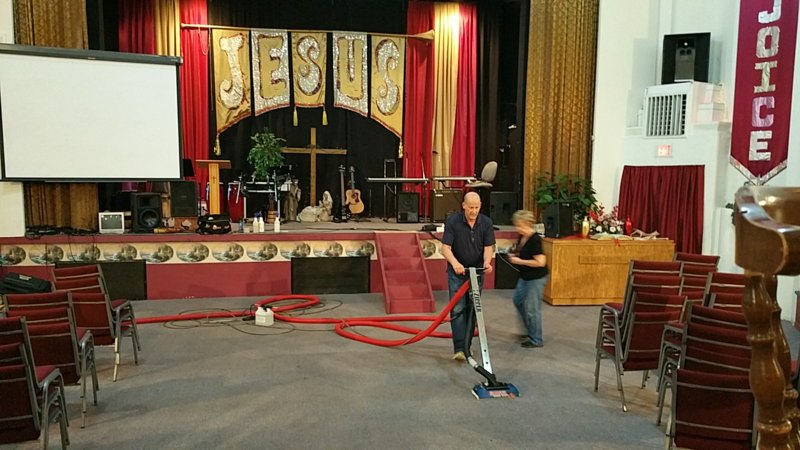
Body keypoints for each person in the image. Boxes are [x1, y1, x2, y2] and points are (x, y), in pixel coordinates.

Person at [441, 191, 496, 361]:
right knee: (458, 309)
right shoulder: (453, 222)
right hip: (457, 273)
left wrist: (487, 262)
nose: (473, 211)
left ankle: (467, 348)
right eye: (471, 207)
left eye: (476, 207)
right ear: (463, 206)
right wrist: (455, 263)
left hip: (476, 273)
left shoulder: (486, 223)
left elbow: (488, 247)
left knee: (473, 309)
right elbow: (445, 248)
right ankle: (459, 348)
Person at [507, 210, 549, 348]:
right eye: (516, 225)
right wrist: (514, 255)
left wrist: (520, 261)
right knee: (518, 301)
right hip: (525, 276)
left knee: (532, 309)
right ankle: (529, 330)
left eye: (520, 225)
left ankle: (536, 339)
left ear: (528, 224)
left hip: (536, 278)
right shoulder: (522, 237)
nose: (517, 228)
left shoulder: (535, 240)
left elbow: (540, 262)